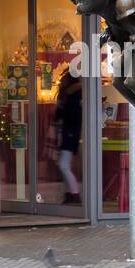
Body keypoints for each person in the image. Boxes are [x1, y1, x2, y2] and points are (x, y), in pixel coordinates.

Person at [53, 70, 83, 204]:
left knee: (63, 165)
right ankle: (70, 193)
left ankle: (74, 193)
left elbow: (70, 116)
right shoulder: (71, 95)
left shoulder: (72, 96)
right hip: (68, 132)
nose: (61, 81)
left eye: (63, 78)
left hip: (69, 133)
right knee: (65, 164)